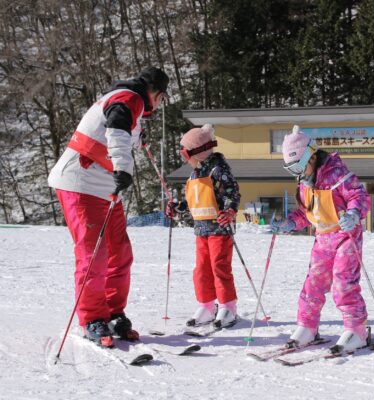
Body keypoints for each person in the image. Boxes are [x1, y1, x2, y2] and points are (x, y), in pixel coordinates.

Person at [48, 67, 169, 347]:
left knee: (120, 251)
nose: (160, 105)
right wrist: (123, 167)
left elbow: (121, 130)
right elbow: (115, 127)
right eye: (162, 99)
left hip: (104, 188)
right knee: (94, 254)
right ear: (157, 94)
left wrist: (138, 139)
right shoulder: (130, 98)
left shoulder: (129, 104)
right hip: (80, 182)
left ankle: (114, 312)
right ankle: (92, 317)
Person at [270, 125, 372, 352]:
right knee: (313, 284)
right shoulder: (304, 182)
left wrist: (354, 213)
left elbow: (360, 196)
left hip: (346, 235)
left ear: (312, 156)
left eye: (299, 166)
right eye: (291, 169)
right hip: (323, 239)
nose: (297, 173)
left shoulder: (337, 174)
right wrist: (289, 223)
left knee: (343, 282)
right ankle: (307, 326)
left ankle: (356, 329)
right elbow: (307, 213)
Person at [167, 124, 241, 329]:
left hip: (219, 228)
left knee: (219, 267)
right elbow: (194, 203)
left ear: (198, 152)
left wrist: (230, 211)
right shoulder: (195, 174)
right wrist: (178, 207)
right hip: (201, 230)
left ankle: (228, 307)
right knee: (201, 269)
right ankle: (207, 305)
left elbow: (232, 193)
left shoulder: (219, 169)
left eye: (185, 153)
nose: (184, 158)